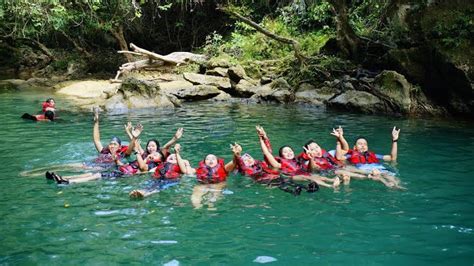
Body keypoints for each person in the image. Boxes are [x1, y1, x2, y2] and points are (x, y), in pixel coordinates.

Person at [256, 125, 340, 189]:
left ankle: (332, 180)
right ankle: (330, 186)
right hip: (289, 177)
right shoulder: (279, 164)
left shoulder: (298, 160)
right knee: (308, 177)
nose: (289, 152)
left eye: (290, 150)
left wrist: (310, 157)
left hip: (302, 174)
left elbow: (311, 166)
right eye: (285, 152)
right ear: (282, 156)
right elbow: (267, 153)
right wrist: (262, 138)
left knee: (312, 176)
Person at [231, 142, 319, 195]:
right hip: (264, 180)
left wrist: (264, 138)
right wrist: (238, 155)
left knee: (286, 181)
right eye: (245, 160)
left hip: (274, 176)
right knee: (280, 185)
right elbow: (241, 163)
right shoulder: (246, 169)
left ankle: (306, 188)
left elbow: (268, 152)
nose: (249, 160)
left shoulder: (261, 164)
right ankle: (293, 192)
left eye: (249, 158)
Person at [336, 126, 403, 188]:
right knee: (345, 168)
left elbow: (392, 158)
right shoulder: (350, 155)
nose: (363, 145)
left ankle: (398, 186)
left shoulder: (373, 155)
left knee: (394, 181)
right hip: (366, 170)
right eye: (360, 144)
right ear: (354, 147)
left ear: (367, 147)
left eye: (365, 144)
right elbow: (339, 157)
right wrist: (339, 138)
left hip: (379, 169)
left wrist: (395, 141)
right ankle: (386, 182)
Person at [129, 144, 194, 199]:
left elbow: (188, 173)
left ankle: (146, 193)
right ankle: (143, 191)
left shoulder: (182, 165)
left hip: (171, 179)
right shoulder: (161, 164)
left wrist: (184, 161)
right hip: (158, 178)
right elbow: (148, 171)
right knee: (152, 184)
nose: (173, 158)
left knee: (161, 185)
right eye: (171, 157)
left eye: (175, 158)